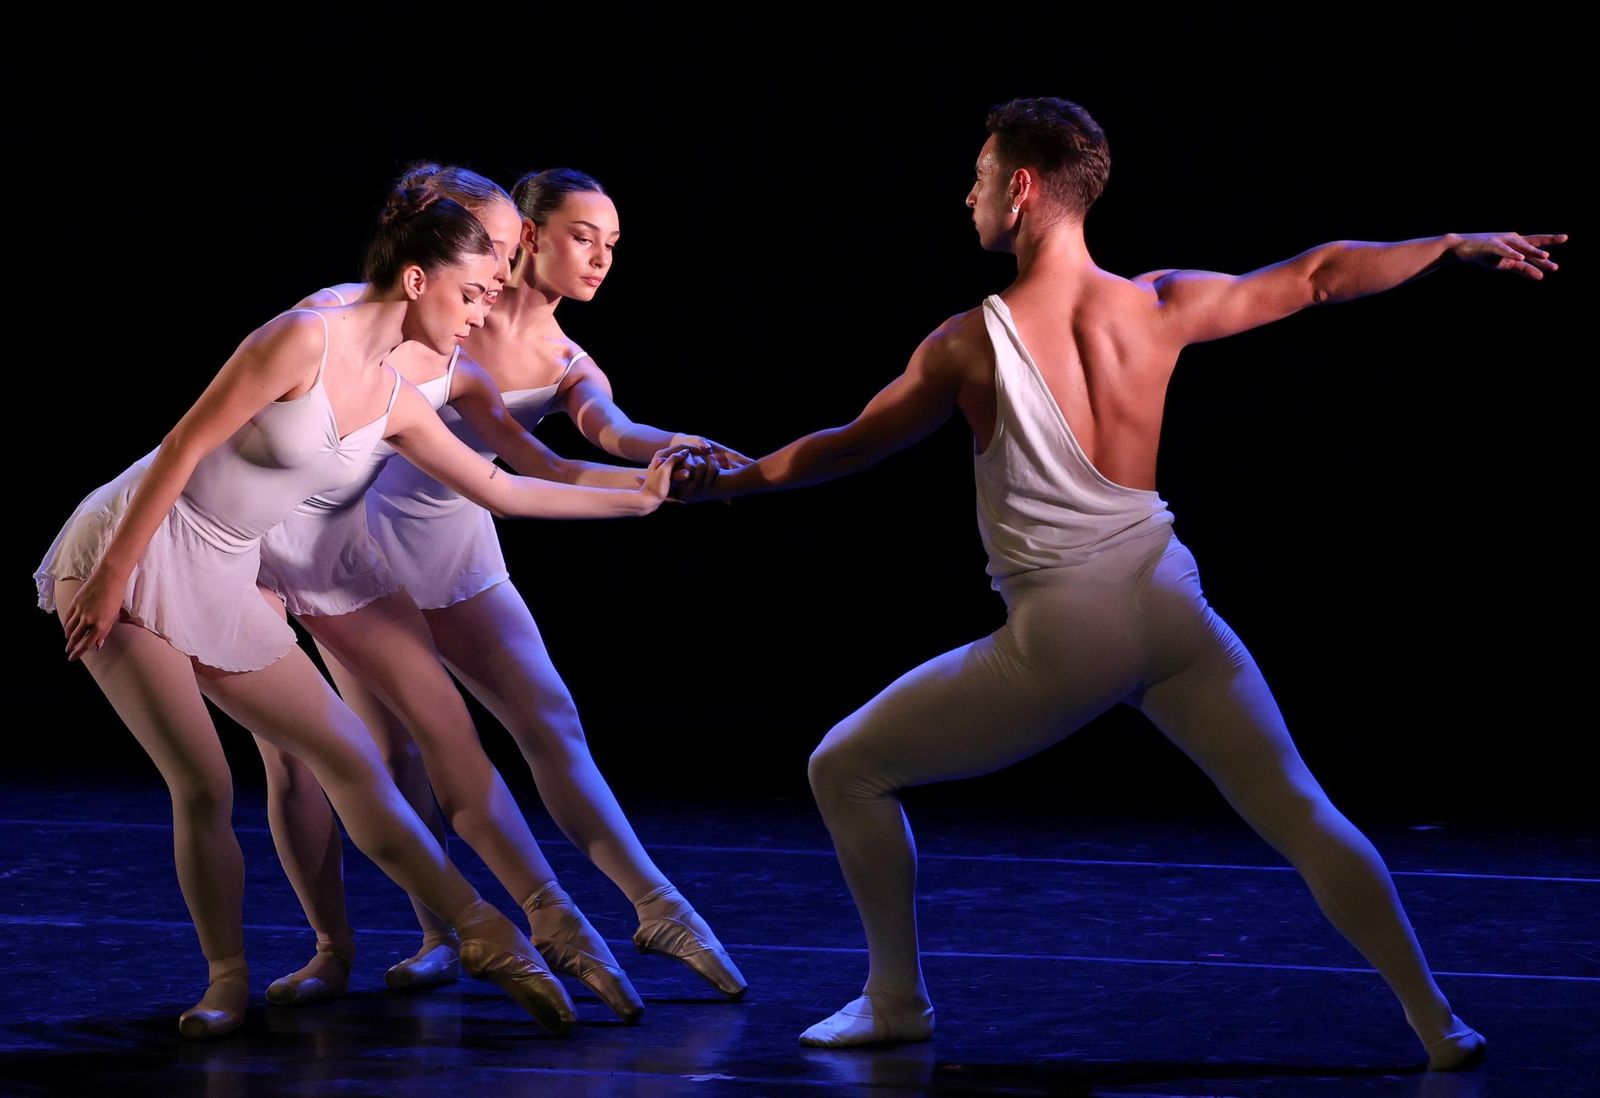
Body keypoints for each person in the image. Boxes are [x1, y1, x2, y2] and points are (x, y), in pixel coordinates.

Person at [673, 96, 1563, 1068]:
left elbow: (846, 448)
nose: (964, 196)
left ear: (1020, 188)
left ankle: (897, 999)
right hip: (1169, 604)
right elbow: (1317, 275)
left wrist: (722, 484)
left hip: (1068, 632)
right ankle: (1437, 1020)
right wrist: (1447, 243)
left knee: (843, 768)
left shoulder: (968, 341)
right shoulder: (1157, 303)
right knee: (1300, 808)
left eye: (976, 179)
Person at [36, 179, 680, 1038]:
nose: (479, 318)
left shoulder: (401, 398)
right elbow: (186, 443)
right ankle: (227, 978)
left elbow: (502, 485)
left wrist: (638, 498)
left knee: (351, 756)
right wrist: (114, 570)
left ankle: (485, 933)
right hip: (135, 545)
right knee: (205, 782)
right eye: (472, 295)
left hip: (227, 570)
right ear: (418, 279)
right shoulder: (307, 334)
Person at [267, 166, 748, 1007]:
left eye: (612, 245)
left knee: (548, 717)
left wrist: (671, 451)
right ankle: (438, 932)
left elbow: (593, 437)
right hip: (348, 540)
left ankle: (653, 903)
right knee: (392, 753)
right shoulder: (429, 302)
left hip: (451, 539)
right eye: (582, 237)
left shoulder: (561, 355)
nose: (600, 259)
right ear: (526, 237)